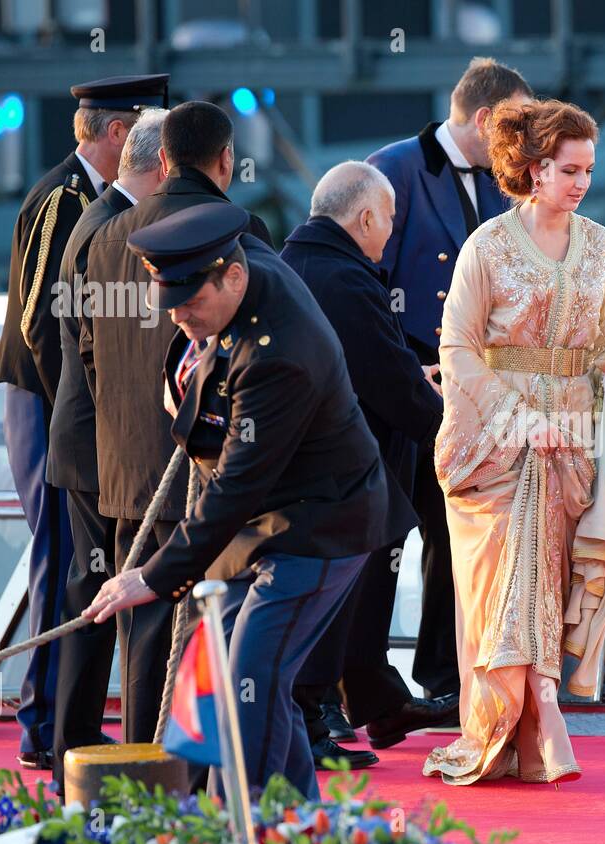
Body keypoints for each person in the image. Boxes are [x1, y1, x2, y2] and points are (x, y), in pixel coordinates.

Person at [85, 203, 415, 799]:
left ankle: (246, 833)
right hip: (264, 525)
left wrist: (153, 577)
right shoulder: (243, 265)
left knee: (250, 683)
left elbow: (238, 484)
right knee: (253, 682)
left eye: (192, 304)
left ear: (232, 278)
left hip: (319, 524)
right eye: (173, 304)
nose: (181, 318)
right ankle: (296, 830)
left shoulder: (277, 355)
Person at [422, 99, 605, 786]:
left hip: (571, 443)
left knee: (546, 589)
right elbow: (457, 349)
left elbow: (599, 338)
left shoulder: (603, 245)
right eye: (568, 169)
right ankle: (506, 733)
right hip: (494, 446)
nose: (581, 182)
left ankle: (536, 736)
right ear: (533, 168)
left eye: (588, 170)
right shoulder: (486, 247)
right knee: (502, 591)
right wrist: (522, 420)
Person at [0, 73, 169, 771]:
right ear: (121, 132)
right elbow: (42, 320)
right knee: (63, 559)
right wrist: (97, 403)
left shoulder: (89, 199)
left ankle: (63, 725)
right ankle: (44, 726)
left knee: (80, 564)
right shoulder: (63, 199)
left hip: (75, 408)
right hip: (48, 402)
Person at [83, 100, 273, 747]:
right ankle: (191, 792)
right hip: (206, 472)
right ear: (227, 160)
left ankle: (141, 780)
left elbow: (85, 351)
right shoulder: (239, 234)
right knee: (204, 645)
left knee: (141, 644)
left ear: (160, 160)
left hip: (126, 466)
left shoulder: (108, 234)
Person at [367, 57, 533, 701]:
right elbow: (364, 284)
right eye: (515, 125)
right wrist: (404, 367)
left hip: (474, 389)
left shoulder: (503, 180)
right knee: (383, 536)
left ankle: (442, 677)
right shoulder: (394, 169)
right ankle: (363, 684)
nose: (525, 140)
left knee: (452, 531)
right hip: (404, 381)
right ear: (486, 118)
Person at [281, 161, 454, 765]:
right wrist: (450, 434)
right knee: (343, 598)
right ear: (364, 218)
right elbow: (385, 378)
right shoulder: (347, 278)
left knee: (353, 596)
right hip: (349, 473)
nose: (391, 233)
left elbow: (380, 357)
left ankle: (375, 701)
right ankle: (312, 723)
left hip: (313, 469)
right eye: (388, 220)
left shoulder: (294, 262)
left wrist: (413, 373)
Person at [49, 106, 169, 787]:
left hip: (94, 437)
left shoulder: (98, 220)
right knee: (97, 589)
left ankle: (74, 735)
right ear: (157, 168)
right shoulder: (106, 229)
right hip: (103, 442)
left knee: (95, 587)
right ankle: (76, 738)